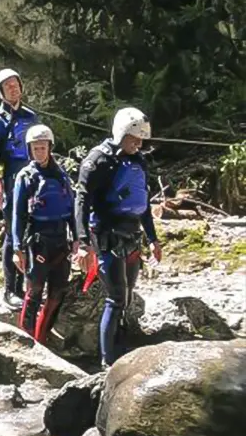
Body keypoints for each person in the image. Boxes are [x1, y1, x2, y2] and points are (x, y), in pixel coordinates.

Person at [75, 107, 162, 367]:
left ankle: (122, 346)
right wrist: (82, 243)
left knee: (129, 293)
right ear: (121, 133)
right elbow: (81, 200)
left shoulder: (138, 161)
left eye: (141, 140)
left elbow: (143, 203)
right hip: (106, 234)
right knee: (116, 298)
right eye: (134, 138)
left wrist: (153, 238)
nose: (138, 144)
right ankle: (107, 361)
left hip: (132, 234)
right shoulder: (99, 160)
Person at [10, 124, 80, 344]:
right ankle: (26, 338)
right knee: (34, 291)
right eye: (35, 149)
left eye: (43, 148)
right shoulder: (26, 177)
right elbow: (18, 214)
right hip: (38, 241)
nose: (39, 152)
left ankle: (43, 335)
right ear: (30, 150)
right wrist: (16, 247)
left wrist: (78, 239)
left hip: (61, 240)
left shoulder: (62, 176)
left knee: (58, 292)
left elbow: (72, 210)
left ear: (50, 147)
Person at [0, 68, 41, 309]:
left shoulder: (30, 116)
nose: (13, 89)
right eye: (8, 87)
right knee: (13, 232)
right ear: (1, 93)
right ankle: (10, 290)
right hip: (11, 179)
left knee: (34, 230)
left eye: (16, 84)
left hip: (34, 178)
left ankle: (31, 285)